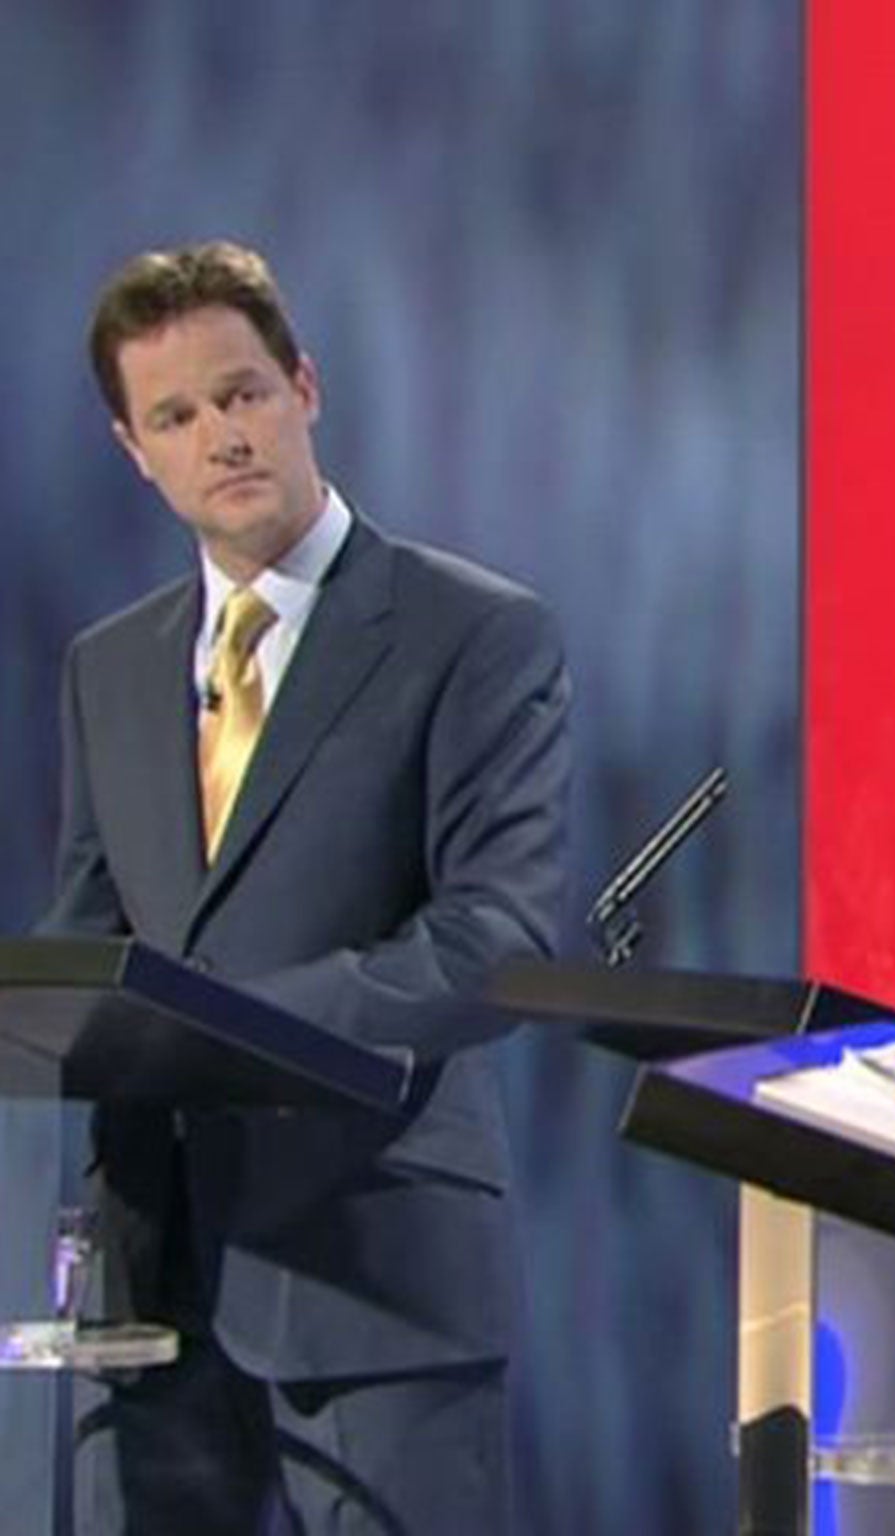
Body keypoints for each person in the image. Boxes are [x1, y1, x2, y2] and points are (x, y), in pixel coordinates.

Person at [39, 241, 570, 1533]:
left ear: (305, 388)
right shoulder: (109, 671)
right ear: (133, 447)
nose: (221, 436)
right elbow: (89, 938)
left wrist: (242, 1030)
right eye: (177, 415)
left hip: (377, 1287)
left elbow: (496, 940)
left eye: (243, 394)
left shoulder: (473, 632)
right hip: (157, 1290)